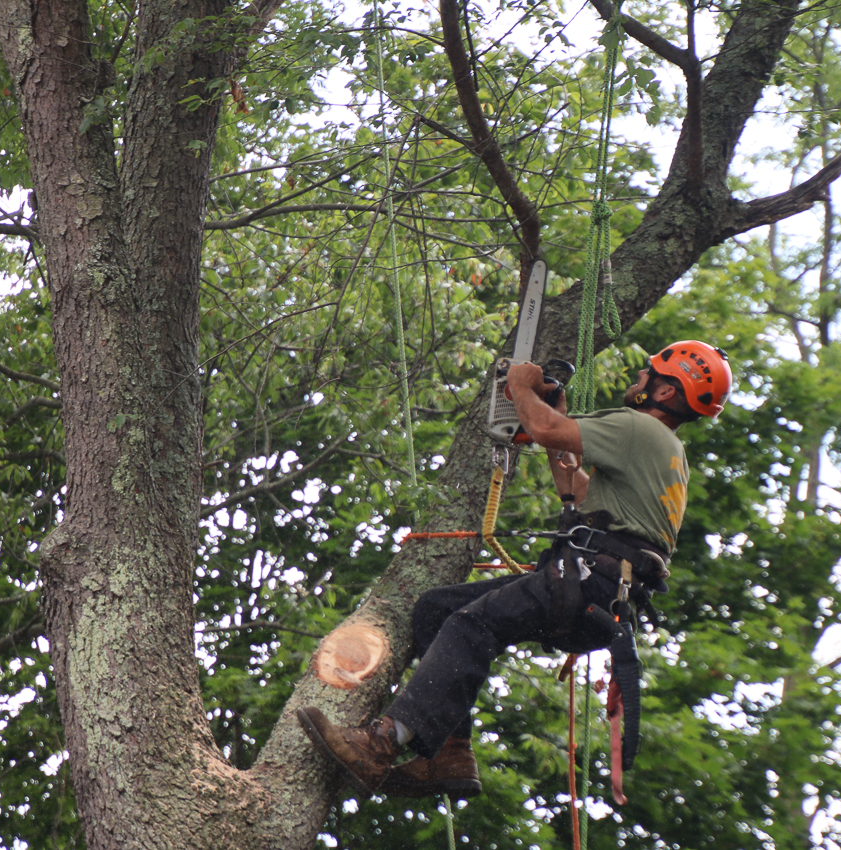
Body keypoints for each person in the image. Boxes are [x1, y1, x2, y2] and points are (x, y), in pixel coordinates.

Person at [298, 340, 733, 799]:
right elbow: (578, 489)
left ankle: (380, 742)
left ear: (665, 393)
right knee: (439, 607)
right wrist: (553, 425)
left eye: (648, 373)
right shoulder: (666, 452)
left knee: (471, 626)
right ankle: (449, 753)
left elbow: (543, 428)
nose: (638, 377)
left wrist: (521, 387)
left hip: (590, 581)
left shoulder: (636, 429)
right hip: (598, 590)